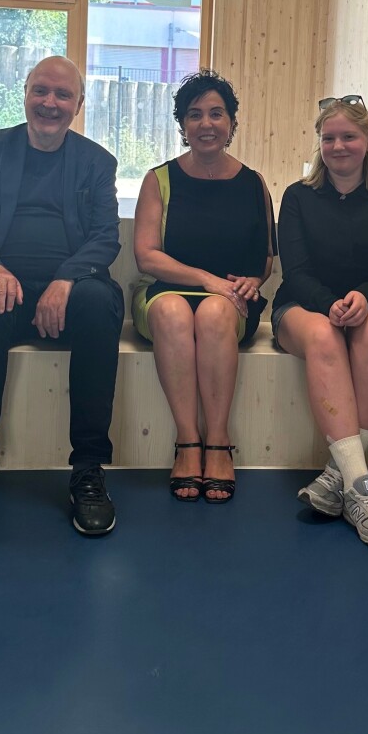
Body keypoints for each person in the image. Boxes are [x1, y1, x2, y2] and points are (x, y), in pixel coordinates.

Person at [0, 56, 123, 535]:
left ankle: (88, 467)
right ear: (24, 93)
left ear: (79, 105)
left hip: (71, 291)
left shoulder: (97, 162)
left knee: (99, 305)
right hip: (2, 282)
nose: (50, 103)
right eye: (41, 90)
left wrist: (66, 278)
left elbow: (105, 237)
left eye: (62, 94)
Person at [133, 71, 274, 502]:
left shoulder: (254, 182)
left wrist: (252, 280)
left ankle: (218, 442)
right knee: (174, 311)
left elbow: (265, 259)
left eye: (216, 113)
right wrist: (208, 280)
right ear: (182, 124)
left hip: (230, 302)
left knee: (214, 312)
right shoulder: (159, 179)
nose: (206, 123)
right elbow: (147, 257)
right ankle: (187, 441)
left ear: (231, 122)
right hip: (164, 293)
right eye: (194, 115)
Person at [275, 97, 368, 547]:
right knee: (324, 335)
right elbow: (295, 273)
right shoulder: (297, 197)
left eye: (348, 137)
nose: (337, 146)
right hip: (303, 308)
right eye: (328, 138)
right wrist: (329, 303)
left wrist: (365, 298)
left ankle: (340, 479)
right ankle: (367, 495)